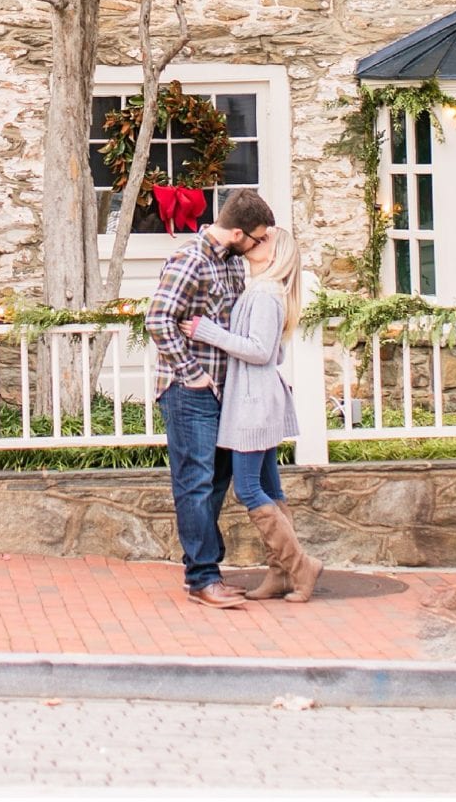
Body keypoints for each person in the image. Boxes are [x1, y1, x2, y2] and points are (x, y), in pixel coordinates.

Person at [146, 186, 276, 609]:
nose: (260, 246)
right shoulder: (191, 259)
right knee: (195, 483)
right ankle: (202, 578)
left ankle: (205, 570)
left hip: (225, 390)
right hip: (190, 392)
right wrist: (193, 374)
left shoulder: (232, 265)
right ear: (238, 233)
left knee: (218, 479)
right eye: (258, 238)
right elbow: (159, 319)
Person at [185, 226, 322, 603]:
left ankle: (301, 567)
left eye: (264, 242)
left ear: (276, 256)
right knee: (271, 488)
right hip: (257, 398)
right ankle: (281, 574)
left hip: (253, 403)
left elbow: (261, 351)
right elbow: (274, 354)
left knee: (247, 487)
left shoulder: (265, 294)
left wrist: (207, 331)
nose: (254, 243)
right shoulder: (261, 291)